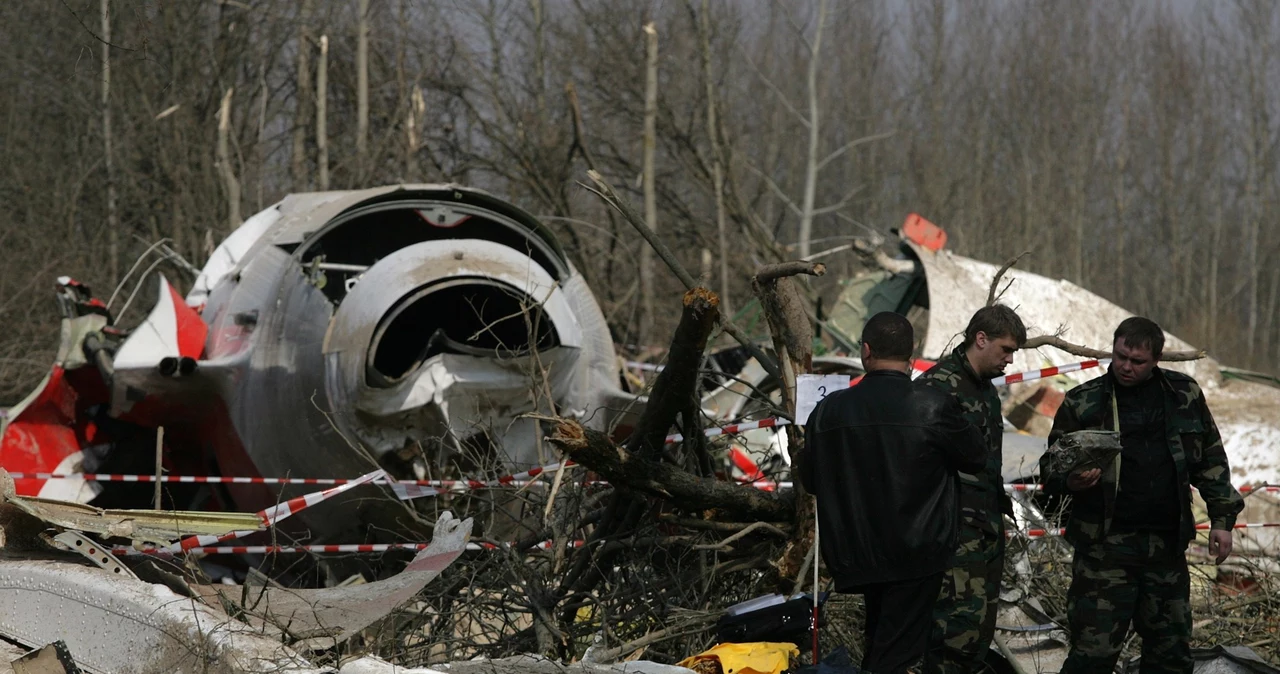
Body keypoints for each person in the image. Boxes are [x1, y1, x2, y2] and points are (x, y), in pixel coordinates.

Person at [1041, 317, 1244, 673]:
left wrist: (1222, 520)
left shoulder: (1184, 395)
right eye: (1120, 356)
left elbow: (1210, 460)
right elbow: (1050, 468)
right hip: (1105, 551)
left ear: (1156, 360)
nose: (1126, 367)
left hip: (1165, 549)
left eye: (1137, 361)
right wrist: (1070, 481)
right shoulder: (1085, 402)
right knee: (1092, 656)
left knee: (1170, 657)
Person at [800, 312, 986, 674]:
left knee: (883, 641)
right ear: (912, 353)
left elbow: (810, 480)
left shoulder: (826, 411)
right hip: (918, 552)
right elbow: (976, 457)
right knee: (895, 654)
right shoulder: (933, 405)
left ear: (865, 352)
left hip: (855, 554)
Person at [917, 304, 1026, 673]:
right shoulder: (937, 388)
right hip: (952, 533)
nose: (1009, 360)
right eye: (1005, 350)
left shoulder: (985, 390)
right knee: (952, 636)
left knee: (976, 635)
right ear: (981, 339)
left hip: (984, 530)